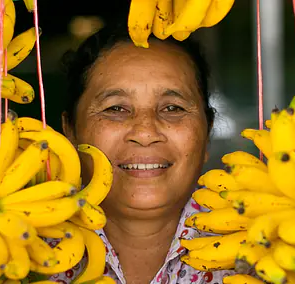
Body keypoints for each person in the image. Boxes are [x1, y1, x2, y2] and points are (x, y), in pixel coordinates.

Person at [52, 24, 236, 284]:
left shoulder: (263, 252)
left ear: (207, 133)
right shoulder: (18, 252)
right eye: (115, 108)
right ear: (70, 131)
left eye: (173, 107)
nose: (145, 132)